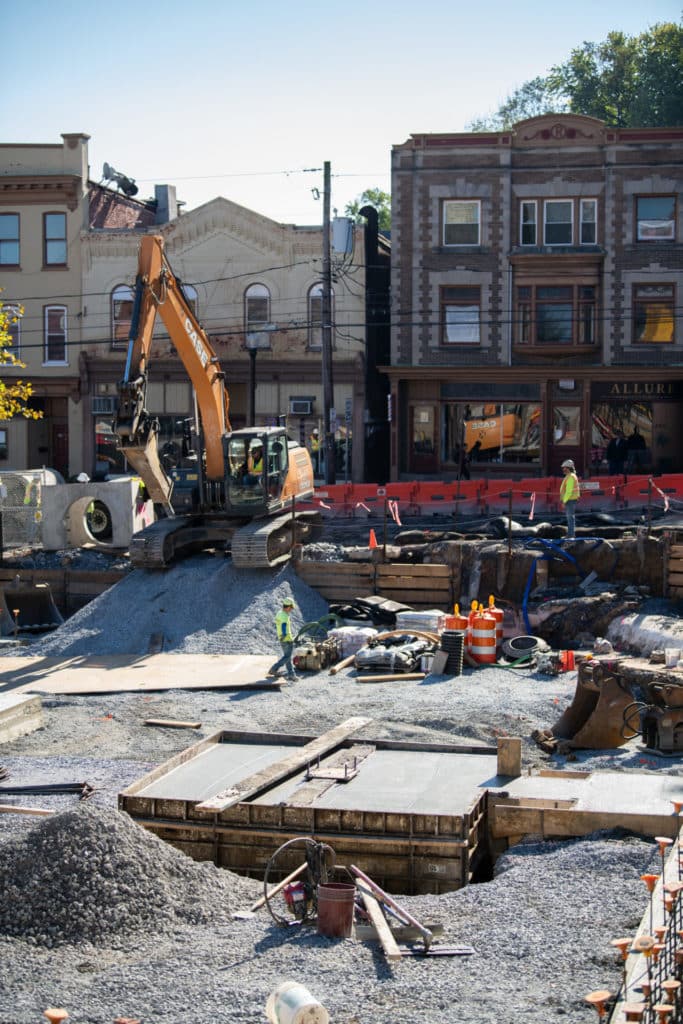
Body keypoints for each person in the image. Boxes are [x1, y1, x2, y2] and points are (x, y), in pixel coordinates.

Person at [267, 599, 298, 681]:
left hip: (281, 638)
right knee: (287, 657)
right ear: (288, 607)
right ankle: (274, 668)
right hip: (287, 639)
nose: (291, 610)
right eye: (291, 608)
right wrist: (284, 635)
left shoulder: (279, 613)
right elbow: (283, 626)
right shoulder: (284, 615)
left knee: (287, 657)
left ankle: (291, 674)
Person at [559, 459, 580, 539]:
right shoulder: (570, 476)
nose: (563, 469)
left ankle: (571, 535)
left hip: (570, 499)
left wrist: (564, 501)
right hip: (570, 499)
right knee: (570, 517)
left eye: (564, 468)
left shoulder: (571, 477)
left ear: (568, 468)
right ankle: (570, 534)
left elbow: (569, 491)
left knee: (570, 517)